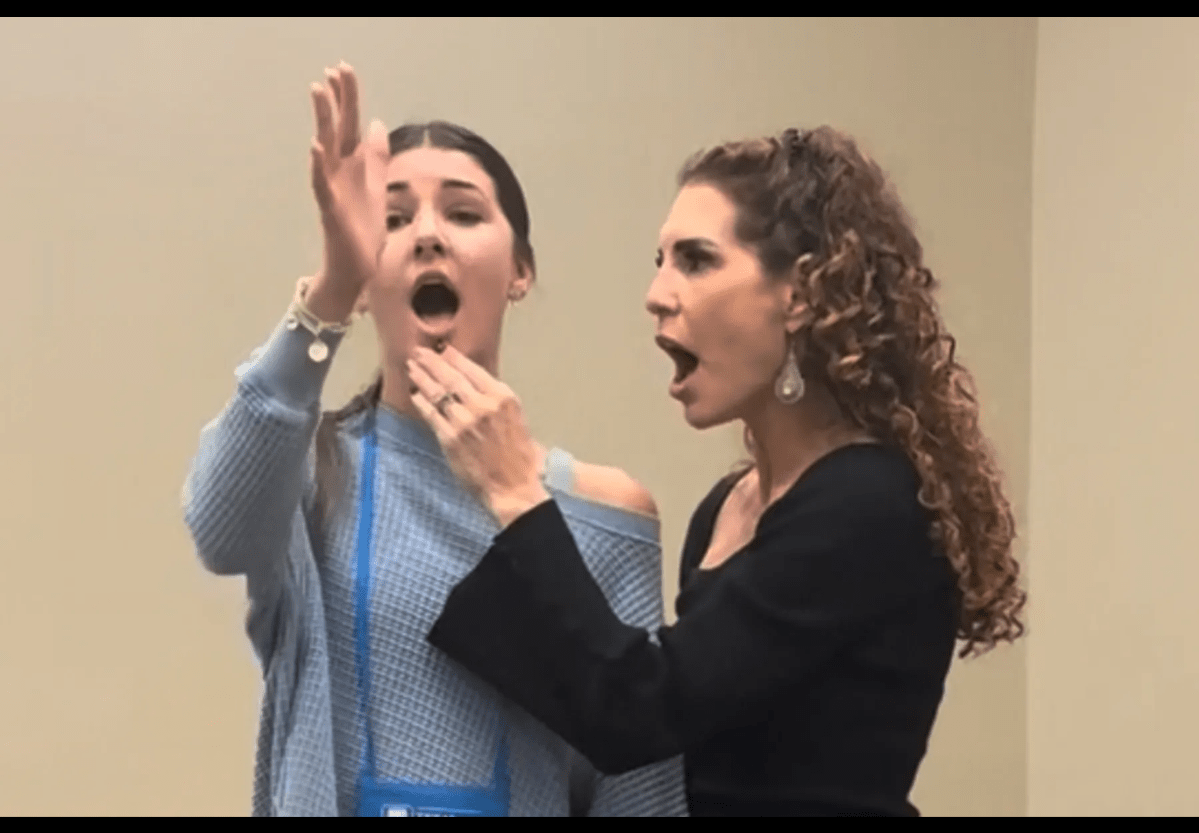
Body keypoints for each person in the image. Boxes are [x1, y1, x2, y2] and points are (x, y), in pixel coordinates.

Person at [407, 126, 1027, 817]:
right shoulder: (729, 504)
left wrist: (515, 488)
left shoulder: (867, 501)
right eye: (660, 261)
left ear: (800, 293)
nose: (657, 293)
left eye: (696, 260)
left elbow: (638, 709)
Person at [181, 63, 687, 817]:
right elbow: (219, 532)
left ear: (520, 271)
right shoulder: (308, 472)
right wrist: (329, 289)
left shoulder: (602, 512)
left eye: (463, 213)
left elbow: (639, 788)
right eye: (392, 219)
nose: (425, 235)